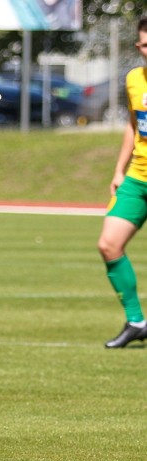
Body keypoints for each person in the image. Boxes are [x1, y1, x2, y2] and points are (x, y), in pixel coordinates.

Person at [97, 16, 147, 349]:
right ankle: (136, 321)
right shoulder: (134, 79)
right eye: (143, 44)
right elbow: (133, 125)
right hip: (138, 177)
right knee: (109, 244)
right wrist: (119, 169)